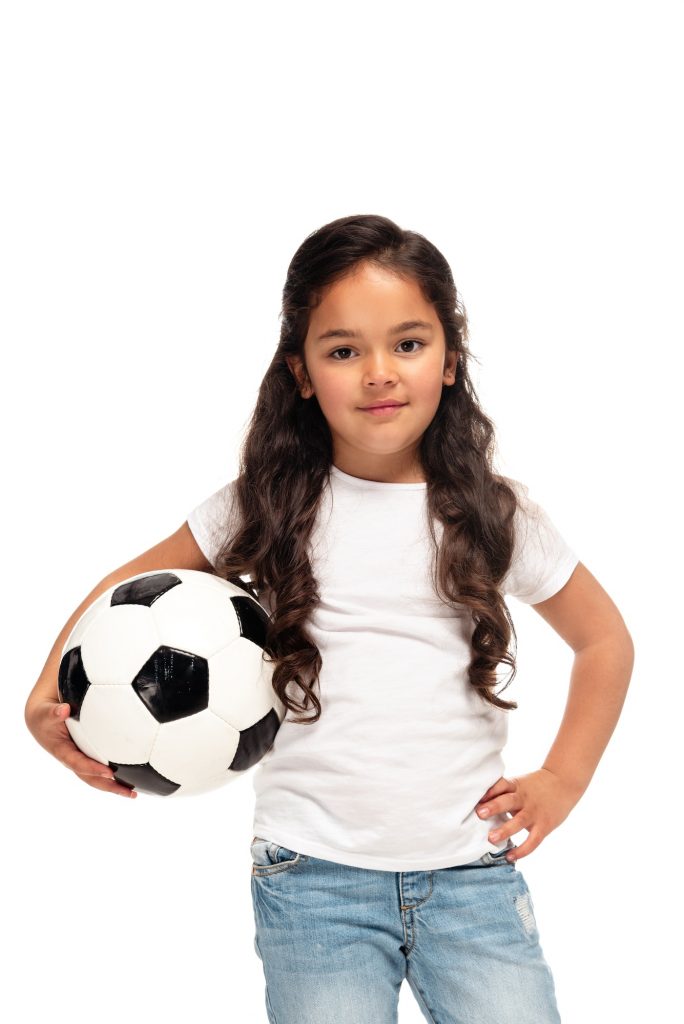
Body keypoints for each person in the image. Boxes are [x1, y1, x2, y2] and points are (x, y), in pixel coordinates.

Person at [25, 214, 634, 1024]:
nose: (379, 373)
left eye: (408, 344)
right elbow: (131, 583)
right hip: (313, 882)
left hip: (470, 875)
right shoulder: (271, 503)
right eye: (344, 350)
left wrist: (564, 779)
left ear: (451, 358)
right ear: (302, 373)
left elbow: (605, 639)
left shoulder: (493, 513)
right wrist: (44, 692)